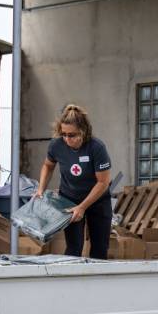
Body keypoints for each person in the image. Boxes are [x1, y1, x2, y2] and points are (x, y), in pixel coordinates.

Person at [35, 105, 112, 259]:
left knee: (99, 248)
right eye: (64, 135)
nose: (67, 139)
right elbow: (48, 166)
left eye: (72, 135)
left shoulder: (96, 148)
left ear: (83, 131)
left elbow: (103, 182)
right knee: (73, 247)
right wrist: (40, 189)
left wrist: (82, 207)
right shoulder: (57, 145)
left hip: (97, 200)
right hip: (69, 201)